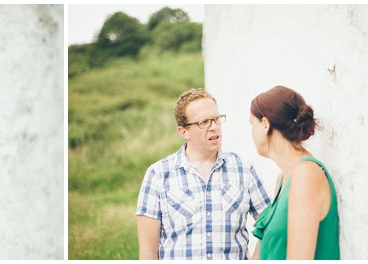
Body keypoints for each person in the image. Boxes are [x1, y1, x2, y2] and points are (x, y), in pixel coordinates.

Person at [135, 88, 271, 260]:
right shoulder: (158, 175)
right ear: (184, 132)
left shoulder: (243, 169)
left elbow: (270, 227)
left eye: (216, 119)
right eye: (204, 122)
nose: (214, 127)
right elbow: (148, 252)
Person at [249, 85, 340, 260]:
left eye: (252, 123)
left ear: (265, 124)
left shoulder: (306, 175)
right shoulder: (283, 179)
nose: (251, 132)